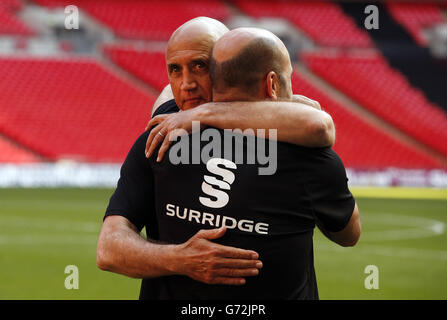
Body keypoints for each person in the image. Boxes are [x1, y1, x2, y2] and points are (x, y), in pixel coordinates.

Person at [97, 17, 339, 299]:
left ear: (227, 67)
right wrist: (179, 259)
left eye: (200, 66)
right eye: (175, 70)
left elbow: (318, 124)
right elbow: (109, 249)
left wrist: (203, 114)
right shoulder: (161, 134)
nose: (186, 84)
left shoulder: (288, 136)